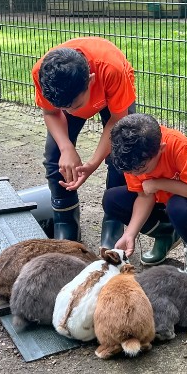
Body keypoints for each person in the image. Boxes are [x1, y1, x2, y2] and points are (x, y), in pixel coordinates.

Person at [32, 37, 136, 246]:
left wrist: (92, 164)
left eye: (75, 106)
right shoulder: (42, 74)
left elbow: (117, 121)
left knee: (122, 154)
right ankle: (66, 221)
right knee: (54, 158)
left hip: (113, 102)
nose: (71, 113)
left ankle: (114, 220)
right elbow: (52, 112)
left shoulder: (111, 69)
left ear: (90, 80)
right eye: (66, 108)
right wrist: (66, 147)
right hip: (72, 96)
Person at [102, 113, 187, 275]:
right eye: (131, 172)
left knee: (178, 206)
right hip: (163, 203)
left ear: (161, 149)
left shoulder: (178, 145)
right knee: (112, 199)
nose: (136, 174)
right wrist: (129, 234)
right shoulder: (132, 157)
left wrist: (158, 183)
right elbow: (144, 195)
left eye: (142, 170)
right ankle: (167, 234)